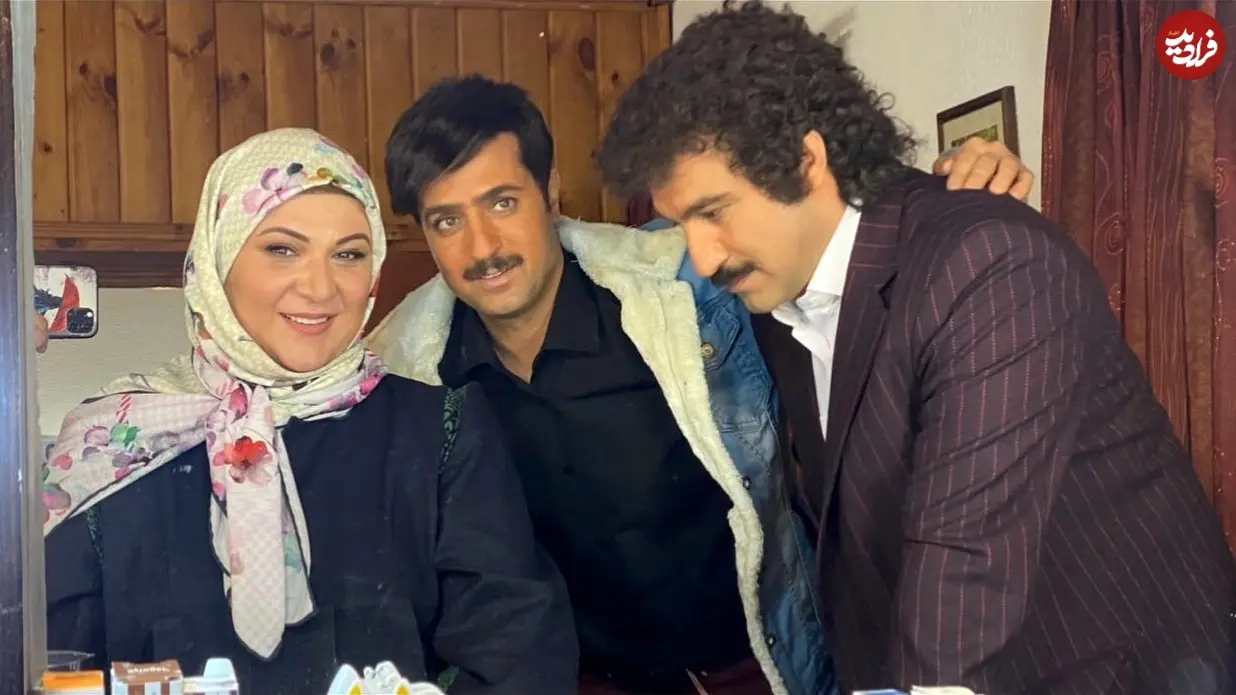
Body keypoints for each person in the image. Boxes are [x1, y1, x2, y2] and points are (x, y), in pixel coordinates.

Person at [594, 2, 1236, 694]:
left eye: (714, 212)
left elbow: (963, 563)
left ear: (806, 161)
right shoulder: (776, 297)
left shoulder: (986, 264)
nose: (702, 255)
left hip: (1111, 671)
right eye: (681, 224)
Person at [367, 75, 1034, 695]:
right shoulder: (406, 371)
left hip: (759, 665)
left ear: (551, 190)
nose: (483, 246)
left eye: (503, 202)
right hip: (585, 681)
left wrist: (933, 195)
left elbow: (820, 237)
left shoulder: (683, 283)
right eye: (447, 220)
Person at [42, 128, 578, 695]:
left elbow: (516, 657)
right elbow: (54, 666)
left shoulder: (441, 433)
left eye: (349, 255)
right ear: (219, 260)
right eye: (283, 249)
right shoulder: (110, 447)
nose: (322, 289)